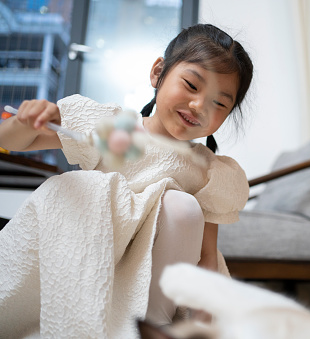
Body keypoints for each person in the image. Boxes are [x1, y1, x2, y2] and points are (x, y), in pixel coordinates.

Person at [0, 23, 253, 338]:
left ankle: (154, 327)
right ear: (158, 73)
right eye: (191, 85)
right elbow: (14, 141)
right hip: (90, 269)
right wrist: (29, 120)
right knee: (78, 185)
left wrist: (201, 324)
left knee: (182, 205)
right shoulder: (122, 133)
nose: (199, 106)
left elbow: (206, 258)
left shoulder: (207, 170)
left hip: (156, 295)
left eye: (219, 103)